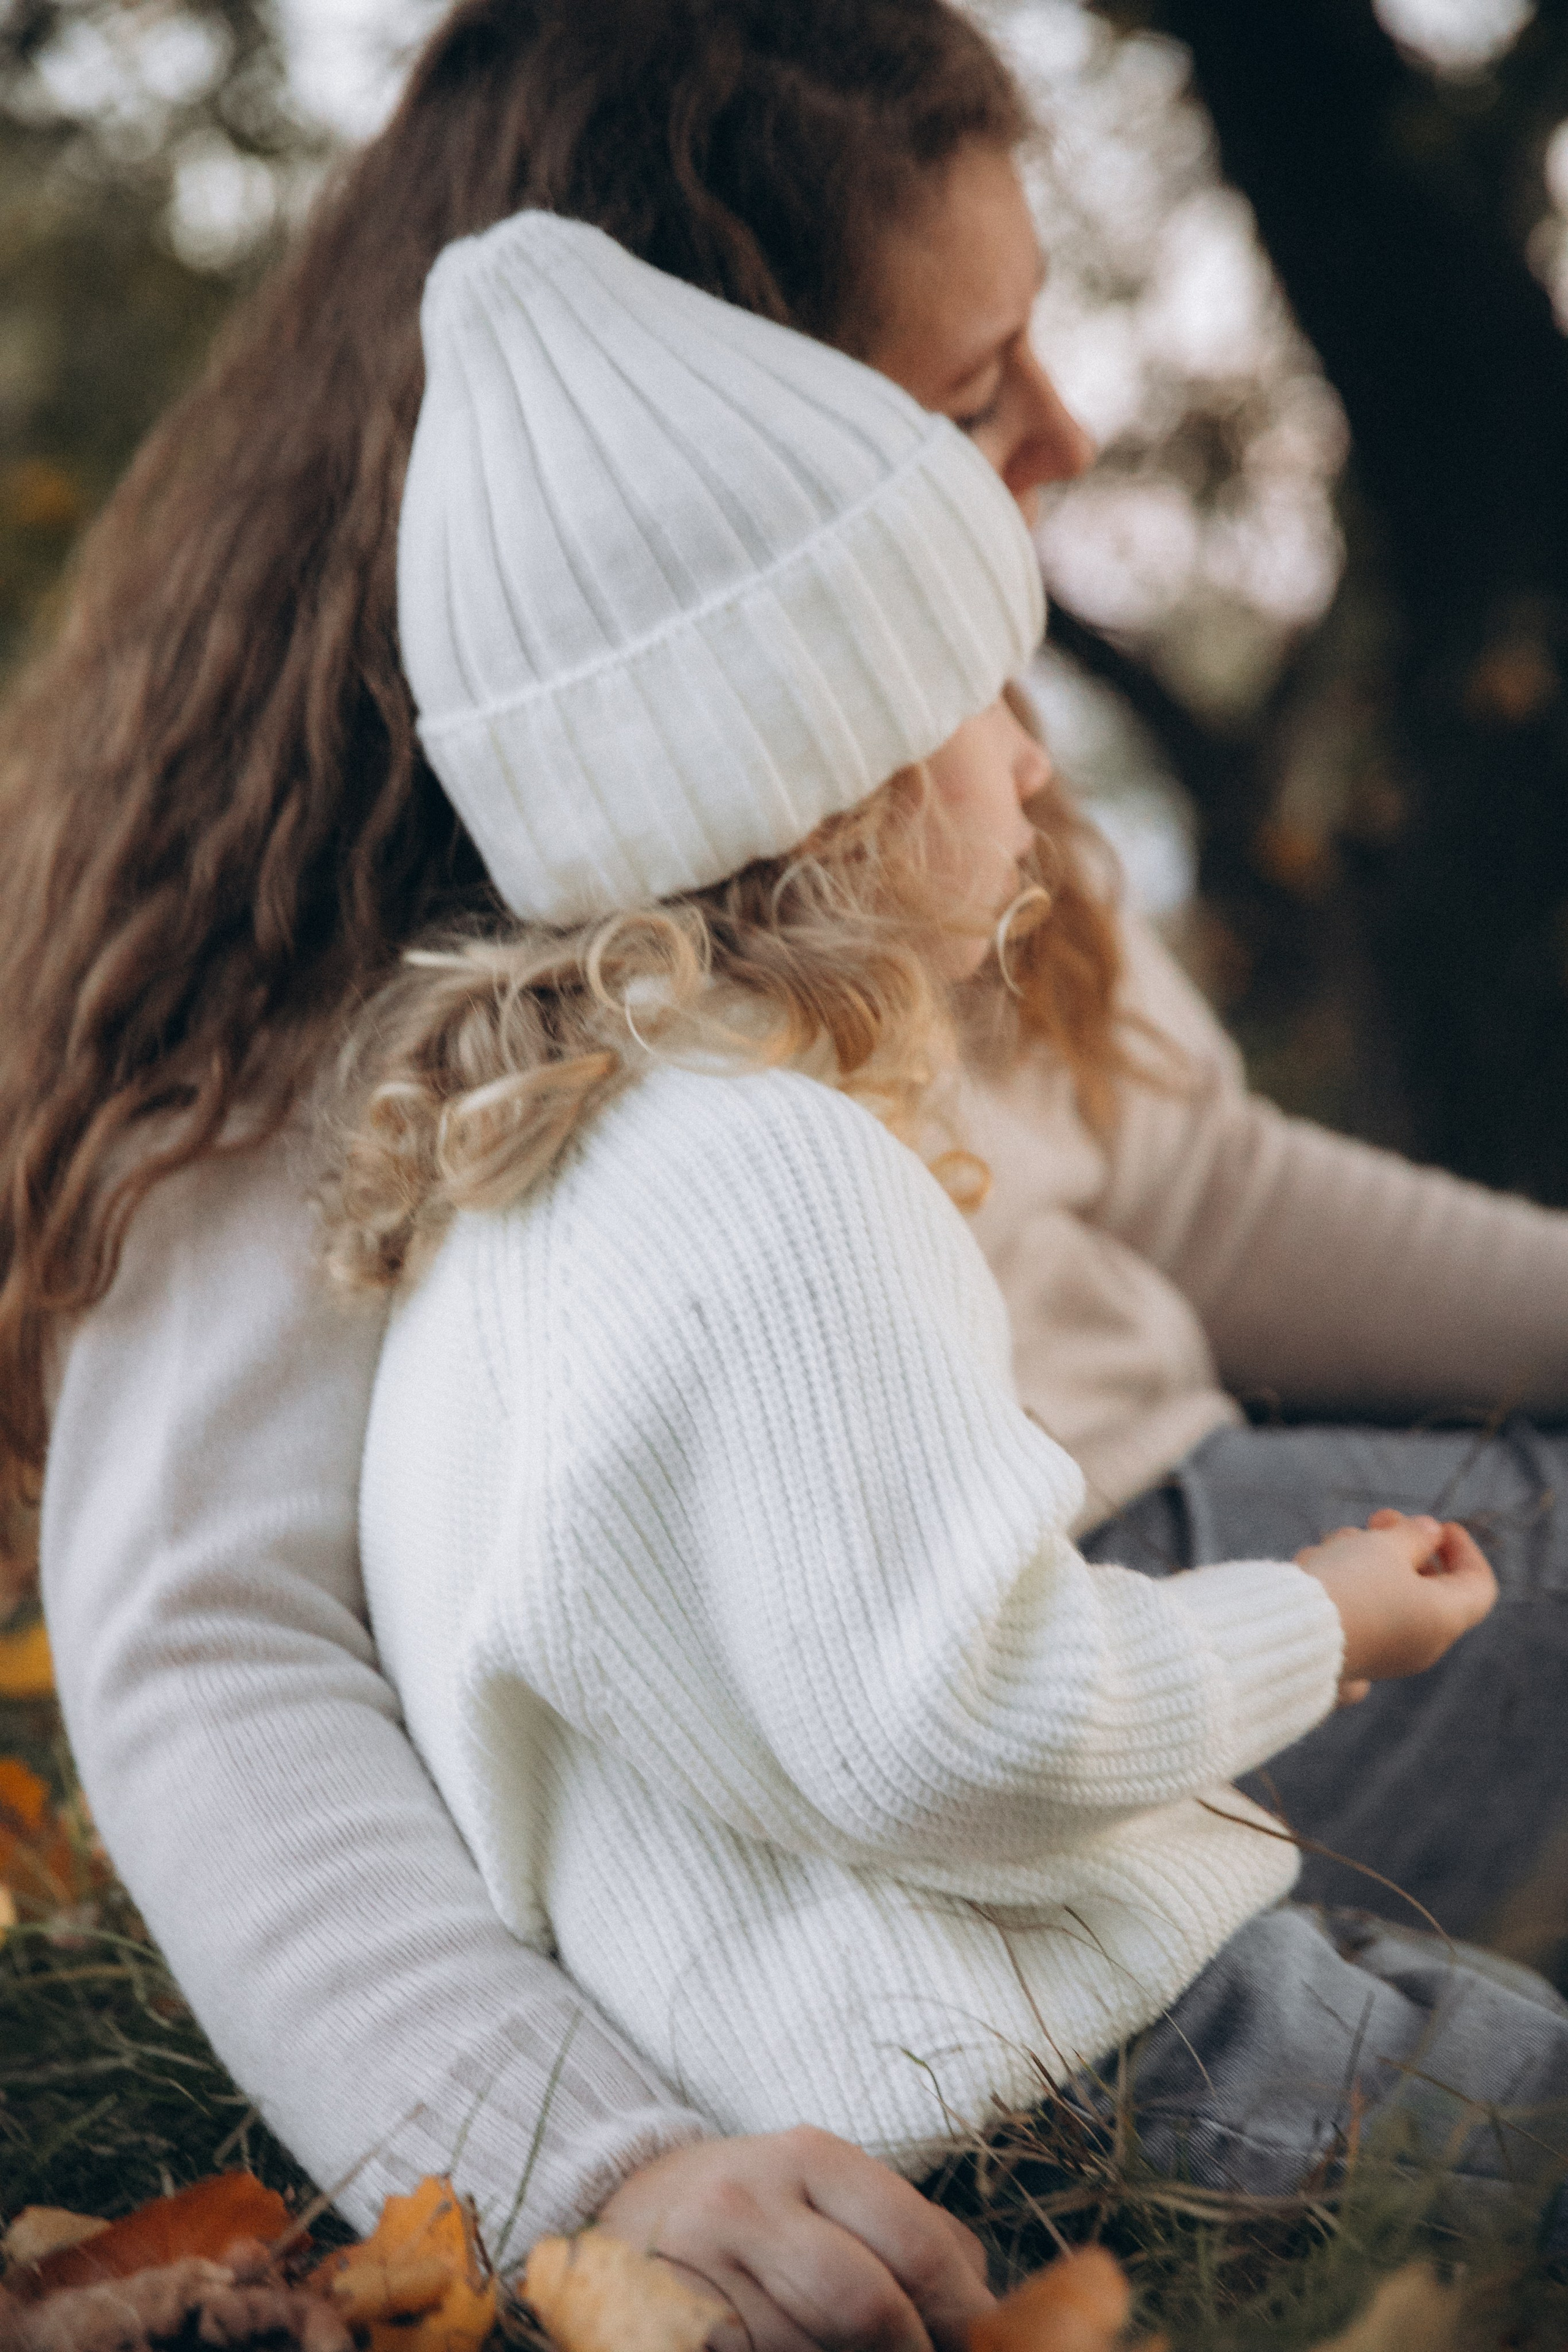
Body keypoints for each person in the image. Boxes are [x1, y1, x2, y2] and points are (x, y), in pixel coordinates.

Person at [0, 0, 1564, 2342]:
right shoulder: (387, 973)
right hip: (966, 1725)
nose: (1070, 430)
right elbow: (208, 1628)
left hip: (1097, 1618)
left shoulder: (890, 810)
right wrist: (572, 2157)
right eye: (961, 393)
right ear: (715, 441)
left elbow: (1196, 1180)